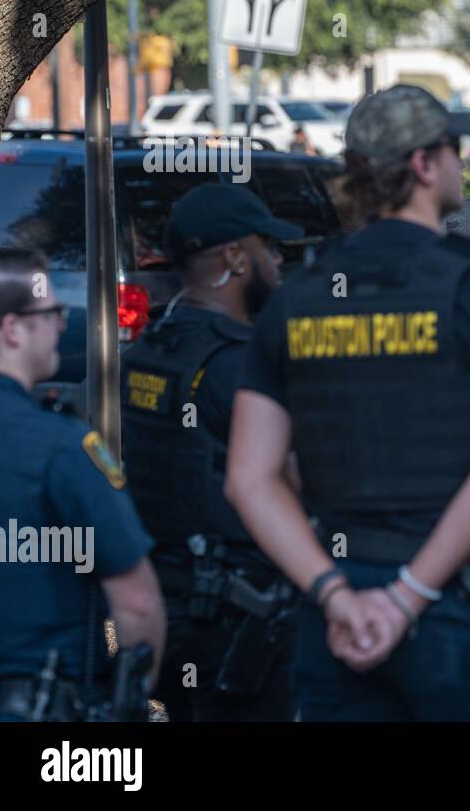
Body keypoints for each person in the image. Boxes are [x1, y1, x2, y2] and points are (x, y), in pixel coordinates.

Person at [225, 84, 470, 721]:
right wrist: (409, 596)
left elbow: (249, 480)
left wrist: (336, 595)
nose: (463, 161)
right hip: (463, 608)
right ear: (422, 165)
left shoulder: (298, 296)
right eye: (453, 148)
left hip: (337, 616)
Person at [121, 185, 304, 721]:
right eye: (270, 248)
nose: (277, 262)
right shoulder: (242, 362)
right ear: (234, 257)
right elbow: (297, 483)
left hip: (169, 606)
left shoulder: (153, 347)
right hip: (239, 617)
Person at [0, 249, 164, 720]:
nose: (62, 326)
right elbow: (138, 603)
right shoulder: (63, 448)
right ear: (11, 328)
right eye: (51, 314)